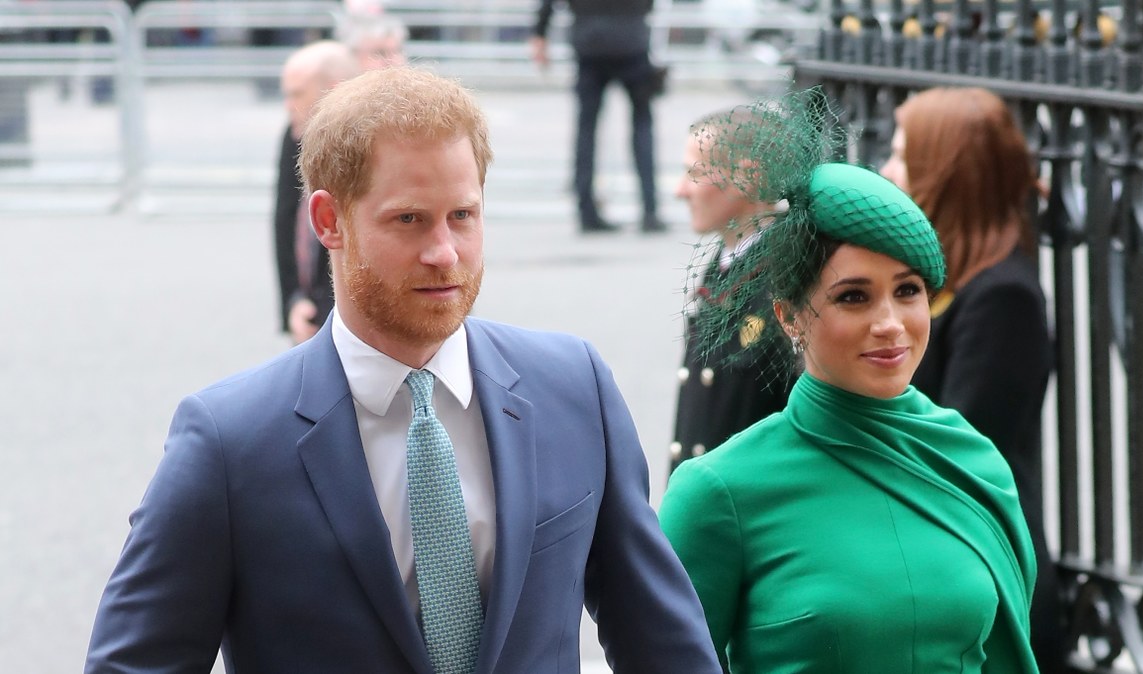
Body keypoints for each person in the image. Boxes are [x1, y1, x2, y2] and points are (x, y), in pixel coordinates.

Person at [86, 66, 721, 674]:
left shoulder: (573, 387)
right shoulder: (228, 441)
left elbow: (660, 641)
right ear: (329, 222)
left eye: (463, 216)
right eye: (409, 220)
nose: (444, 253)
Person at [658, 100, 1039, 670]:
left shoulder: (971, 458)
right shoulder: (718, 493)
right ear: (789, 316)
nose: (890, 323)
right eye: (853, 296)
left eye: (908, 291)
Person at [880, 86, 1063, 674]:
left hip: (979, 570)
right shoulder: (944, 280)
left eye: (903, 155)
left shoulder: (1003, 295)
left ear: (946, 173)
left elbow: (959, 449)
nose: (886, 169)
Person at [669, 106, 794, 472]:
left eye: (694, 173)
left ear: (747, 178)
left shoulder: (781, 279)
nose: (680, 191)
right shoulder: (725, 264)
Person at [529, 0, 666, 234]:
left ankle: (586, 211)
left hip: (590, 42)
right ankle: (650, 210)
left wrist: (540, 33)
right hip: (631, 40)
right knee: (642, 125)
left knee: (586, 131)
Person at [273, 40, 361, 344]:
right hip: (309, 312)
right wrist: (293, 302)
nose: (288, 104)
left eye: (297, 94)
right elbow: (285, 222)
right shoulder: (294, 132)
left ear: (333, 89)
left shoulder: (373, 145)